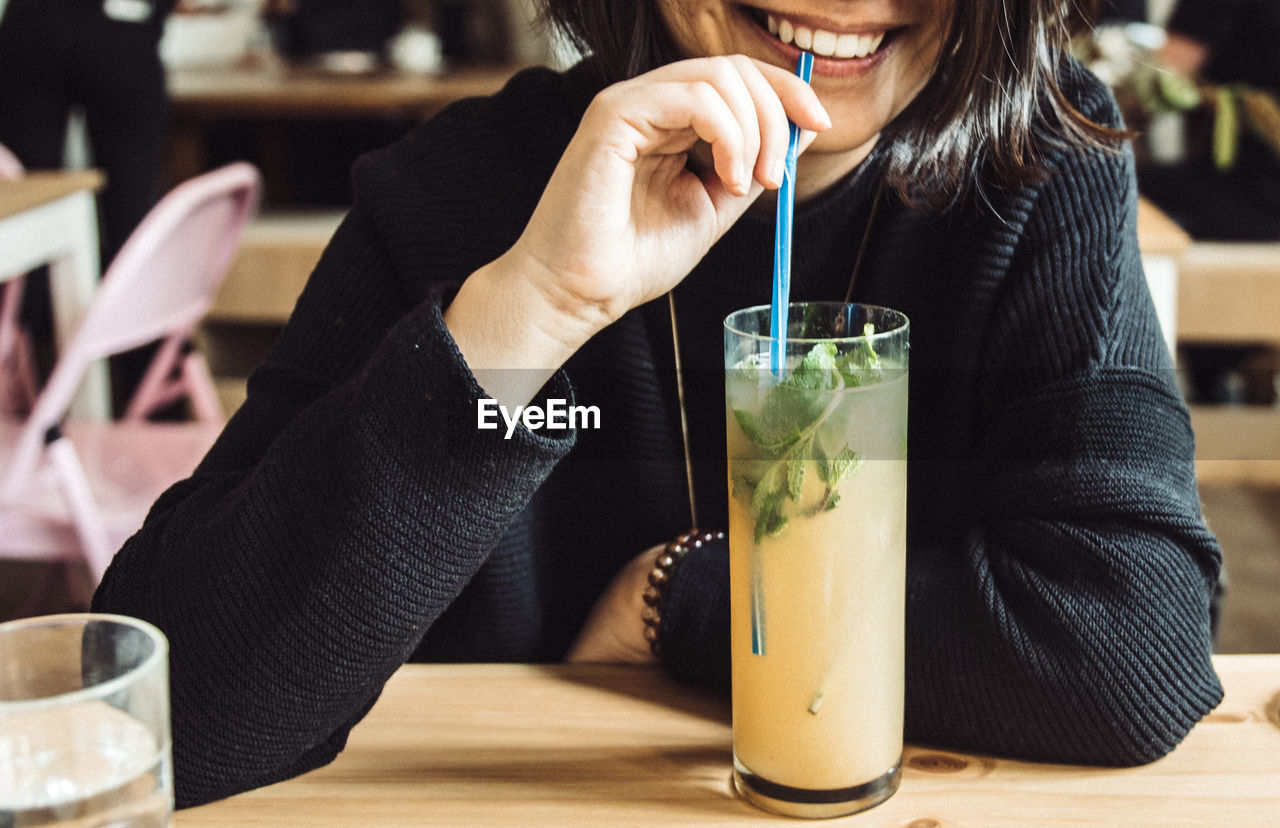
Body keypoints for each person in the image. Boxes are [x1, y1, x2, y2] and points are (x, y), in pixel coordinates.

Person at [92, 0, 1225, 808]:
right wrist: (533, 308)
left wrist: (682, 596)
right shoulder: (462, 194)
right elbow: (168, 715)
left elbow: (1130, 649)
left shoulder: (1042, 166)